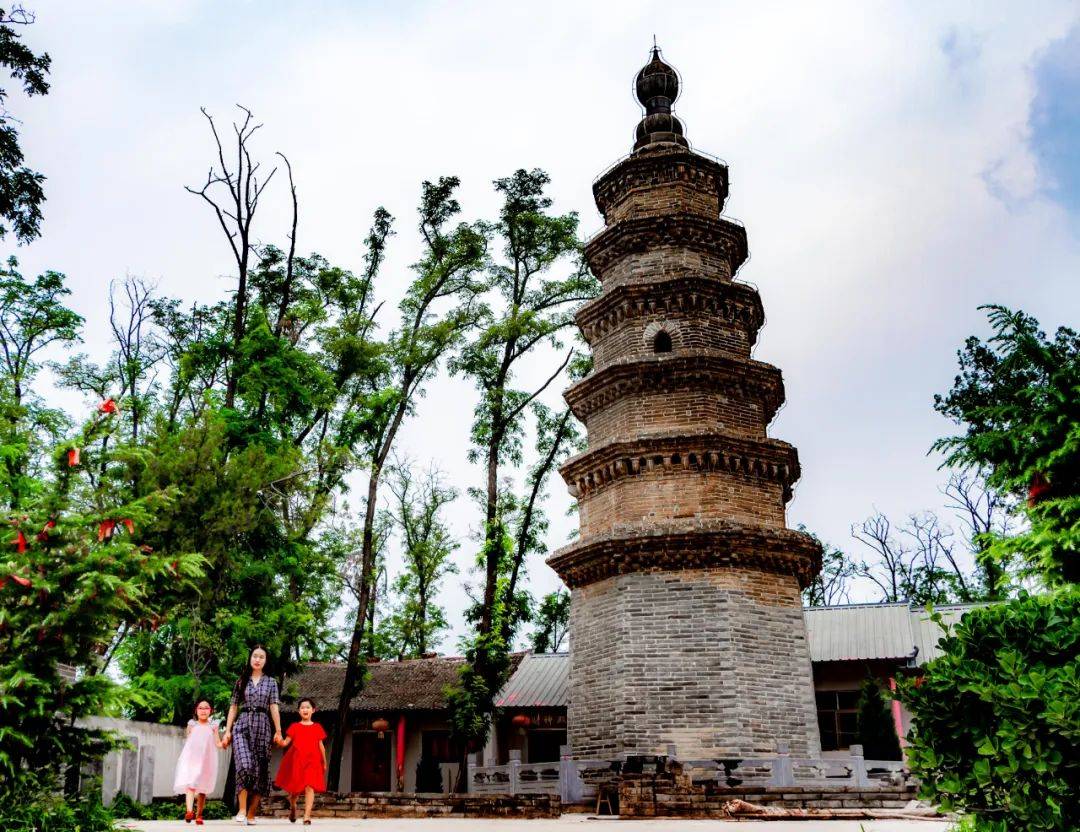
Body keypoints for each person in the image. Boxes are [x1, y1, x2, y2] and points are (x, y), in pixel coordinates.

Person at [222, 645, 283, 826]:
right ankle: (241, 808)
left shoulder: (271, 682)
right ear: (250, 658)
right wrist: (227, 731)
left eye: (261, 657)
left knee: (260, 772)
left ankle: (251, 813)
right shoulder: (241, 681)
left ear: (266, 661)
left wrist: (278, 731)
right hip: (242, 725)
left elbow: (274, 707)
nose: (257, 659)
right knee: (245, 765)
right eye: (255, 656)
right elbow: (233, 706)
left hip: (263, 726)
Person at [274, 697, 328, 825]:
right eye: (302, 707)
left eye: (308, 707)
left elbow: (321, 746)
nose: (305, 709)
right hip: (297, 761)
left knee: (310, 786)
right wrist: (278, 740)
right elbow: (285, 743)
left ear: (313, 710)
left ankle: (307, 816)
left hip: (313, 760)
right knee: (295, 790)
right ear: (299, 711)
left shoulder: (317, 727)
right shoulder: (294, 726)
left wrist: (324, 762)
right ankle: (293, 805)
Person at [173, 699, 223, 825]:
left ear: (210, 711)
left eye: (206, 708)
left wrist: (224, 743)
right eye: (201, 708)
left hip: (207, 760)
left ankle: (199, 814)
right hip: (192, 760)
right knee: (191, 784)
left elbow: (217, 742)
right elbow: (189, 742)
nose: (203, 710)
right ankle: (189, 811)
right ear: (196, 711)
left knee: (202, 789)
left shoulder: (213, 726)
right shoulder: (192, 724)